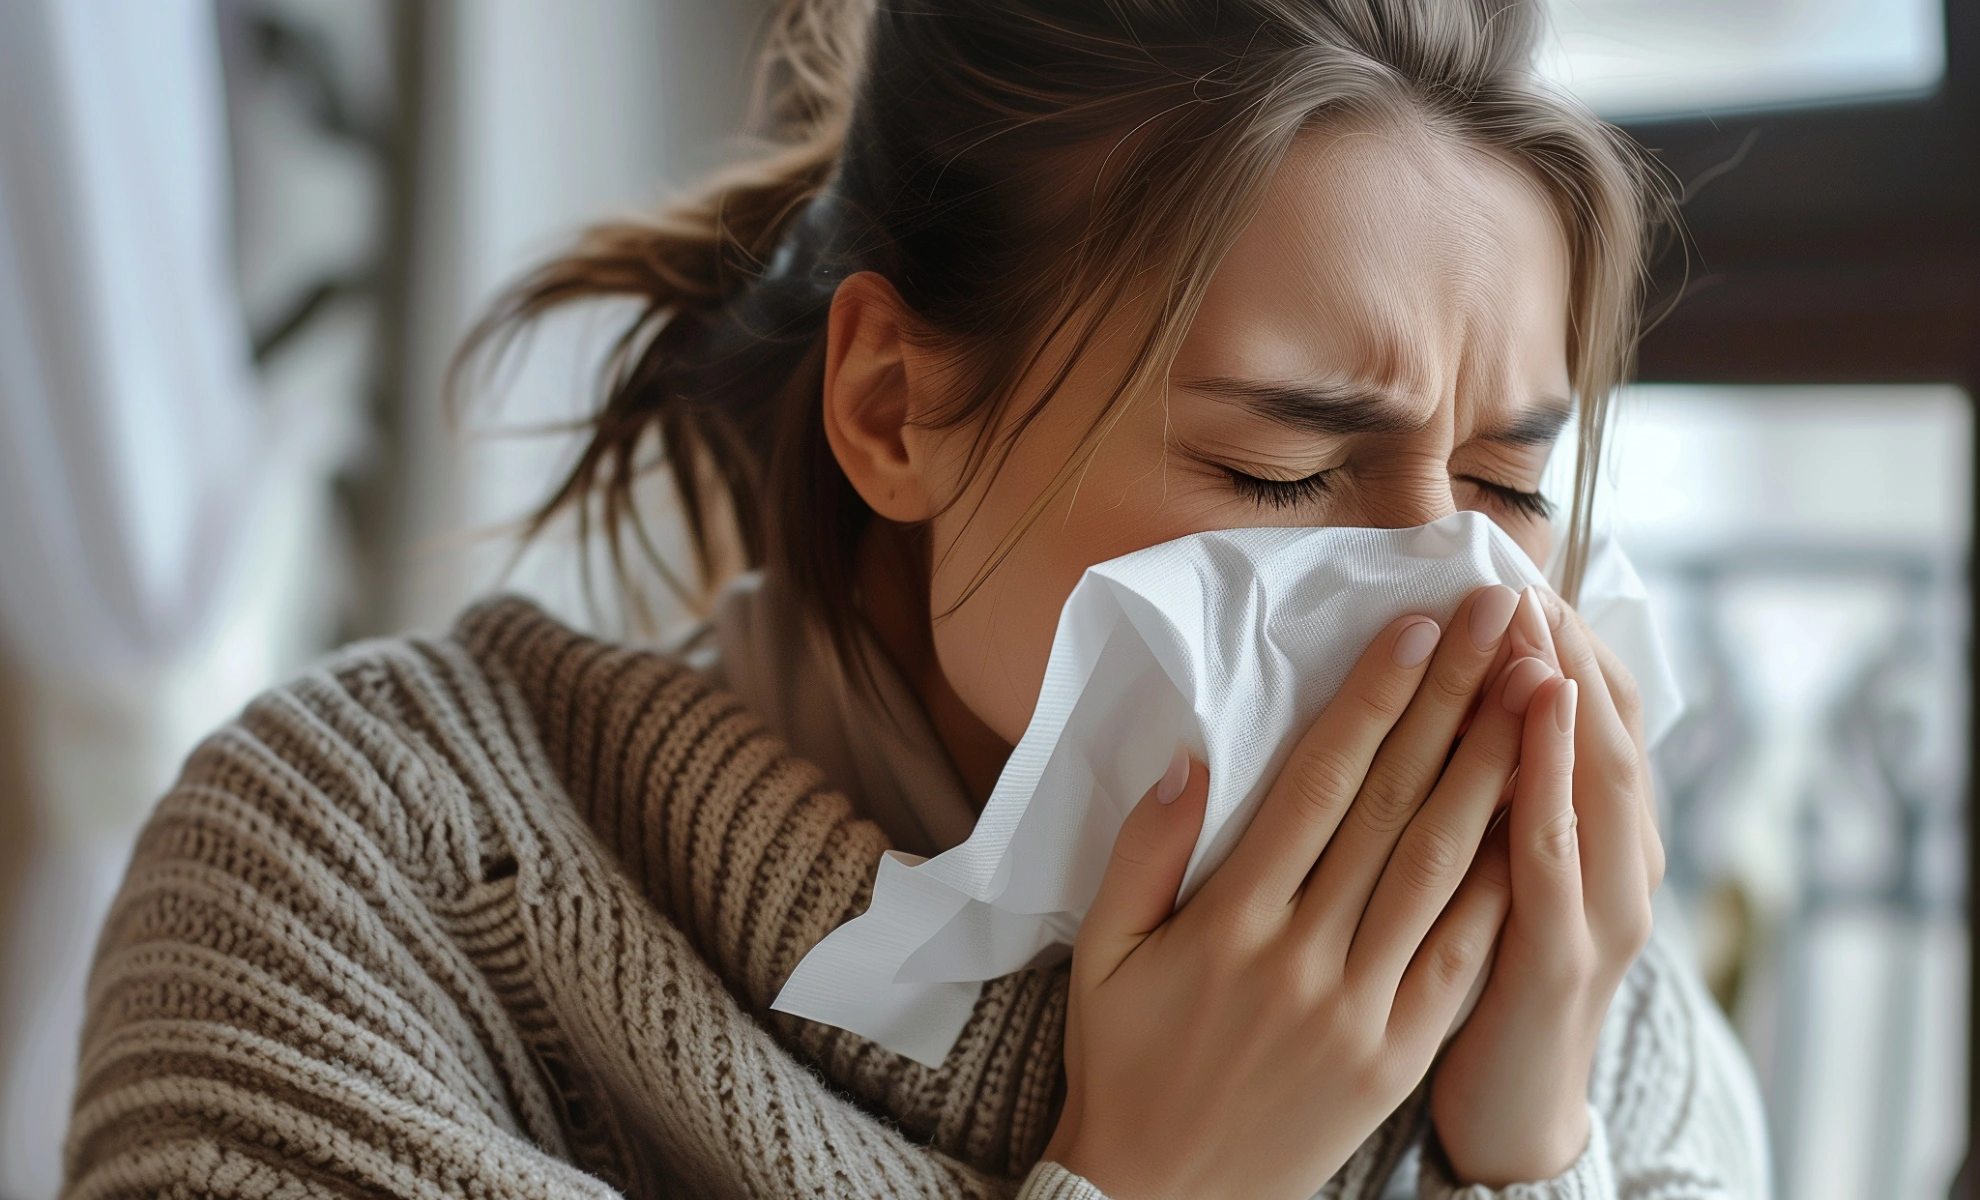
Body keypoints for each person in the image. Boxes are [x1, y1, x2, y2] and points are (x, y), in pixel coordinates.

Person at [61, 1, 1769, 1197]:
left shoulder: (1589, 1015)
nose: (1435, 609)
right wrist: (1150, 1185)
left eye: (1504, 492)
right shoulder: (367, 873)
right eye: (1278, 473)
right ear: (895, 406)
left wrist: (1526, 1141)